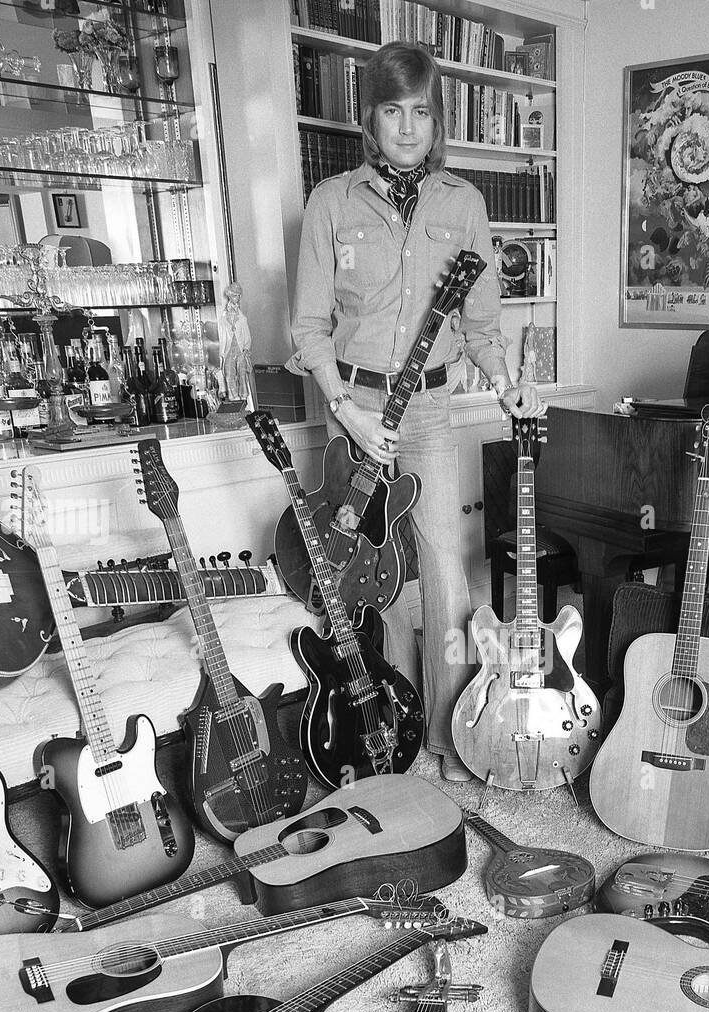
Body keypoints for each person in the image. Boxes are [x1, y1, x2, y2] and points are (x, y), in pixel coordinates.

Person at [288, 41, 542, 783]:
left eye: (420, 112)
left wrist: (507, 385)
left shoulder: (463, 204)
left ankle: (447, 737)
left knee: (445, 574)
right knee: (377, 578)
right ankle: (391, 738)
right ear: (369, 118)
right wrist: (345, 409)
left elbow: (483, 327)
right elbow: (307, 330)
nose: (406, 127)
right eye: (392, 110)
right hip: (353, 409)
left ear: (437, 122)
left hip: (428, 407)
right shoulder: (330, 202)